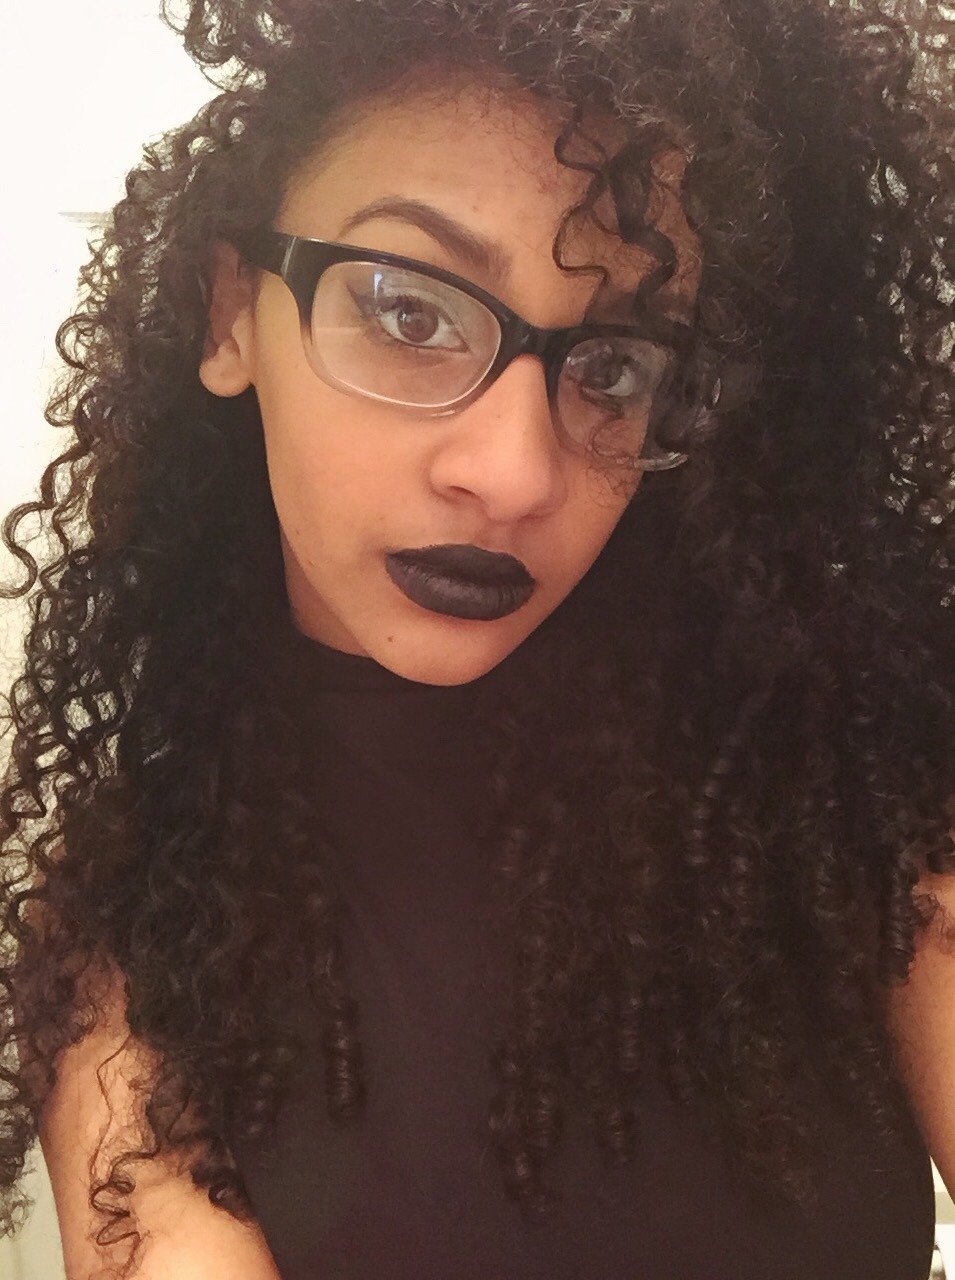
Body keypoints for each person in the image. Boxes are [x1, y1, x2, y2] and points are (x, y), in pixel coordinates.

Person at [1, 0, 953, 1276]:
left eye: (612, 368)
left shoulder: (847, 778)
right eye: (408, 312)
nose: (514, 472)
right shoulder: (130, 913)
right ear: (231, 314)